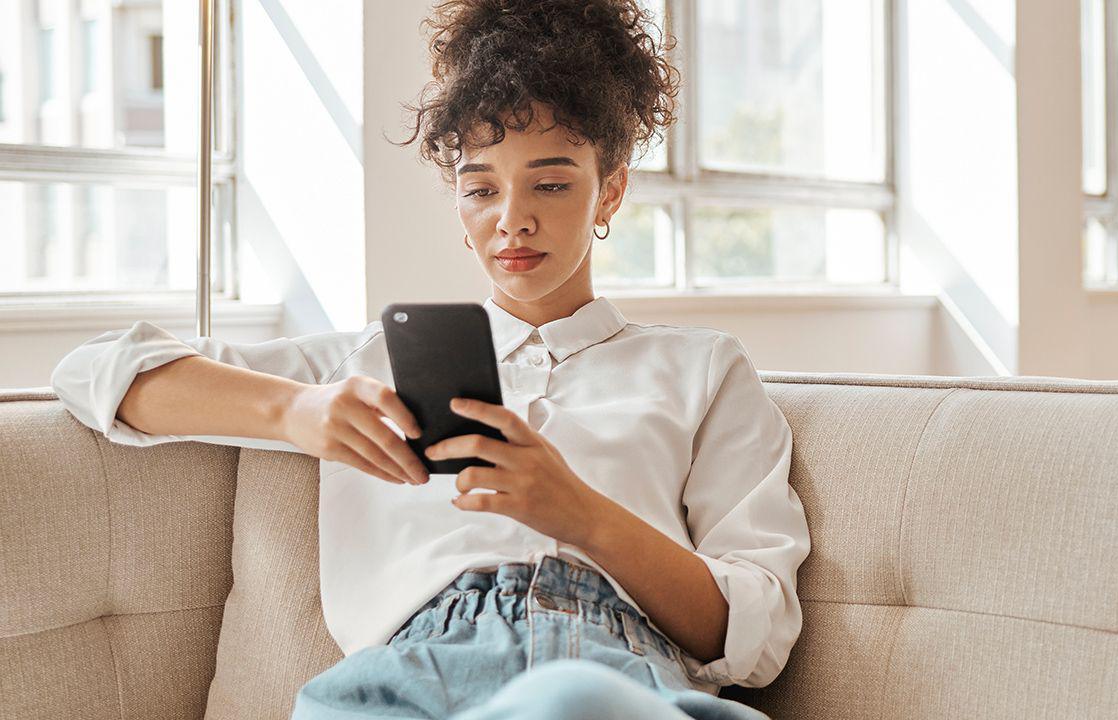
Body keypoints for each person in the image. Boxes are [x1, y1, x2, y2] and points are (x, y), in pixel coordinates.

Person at [49, 0, 810, 717]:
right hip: (404, 681)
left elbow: (755, 635)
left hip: (610, 673)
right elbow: (98, 370)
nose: (513, 219)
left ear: (610, 192)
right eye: (481, 189)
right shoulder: (362, 363)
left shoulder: (703, 370)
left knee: (570, 704)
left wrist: (580, 515)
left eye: (550, 181)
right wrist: (296, 410)